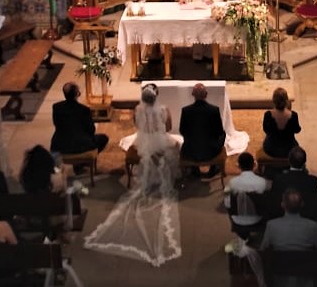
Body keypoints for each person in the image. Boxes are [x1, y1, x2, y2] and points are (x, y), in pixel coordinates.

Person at [84, 83, 181, 267]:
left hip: (143, 142)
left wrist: (148, 132)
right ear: (156, 97)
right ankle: (166, 177)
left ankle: (148, 178)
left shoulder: (137, 110)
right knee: (176, 146)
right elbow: (168, 128)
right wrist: (157, 131)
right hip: (159, 141)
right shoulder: (163, 110)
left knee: (149, 152)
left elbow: (137, 126)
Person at [260, 187, 317, 287]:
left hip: (280, 279)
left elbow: (263, 249)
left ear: (282, 205)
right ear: (302, 204)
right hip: (305, 279)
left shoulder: (272, 225)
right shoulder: (312, 226)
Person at [50, 82, 109, 169]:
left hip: (61, 145)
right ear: (77, 94)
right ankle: (81, 163)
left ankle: (79, 163)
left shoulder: (56, 107)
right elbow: (91, 130)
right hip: (81, 146)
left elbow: (56, 124)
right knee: (103, 138)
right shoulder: (84, 110)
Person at [179, 83, 226, 178]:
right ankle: (213, 168)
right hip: (211, 151)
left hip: (191, 151)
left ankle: (194, 169)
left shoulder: (186, 110)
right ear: (206, 94)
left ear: (193, 94)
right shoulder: (214, 110)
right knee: (223, 134)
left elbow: (182, 130)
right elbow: (219, 131)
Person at [224, 152, 268, 237]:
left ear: (239, 166)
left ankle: (242, 235)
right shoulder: (262, 182)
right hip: (258, 217)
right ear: (254, 165)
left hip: (237, 219)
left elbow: (227, 204)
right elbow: (266, 203)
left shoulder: (232, 183)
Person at [262, 87, 301, 158]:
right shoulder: (293, 115)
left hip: (271, 149)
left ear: (273, 100)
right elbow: (297, 130)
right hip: (289, 149)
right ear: (286, 100)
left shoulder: (268, 115)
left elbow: (266, 130)